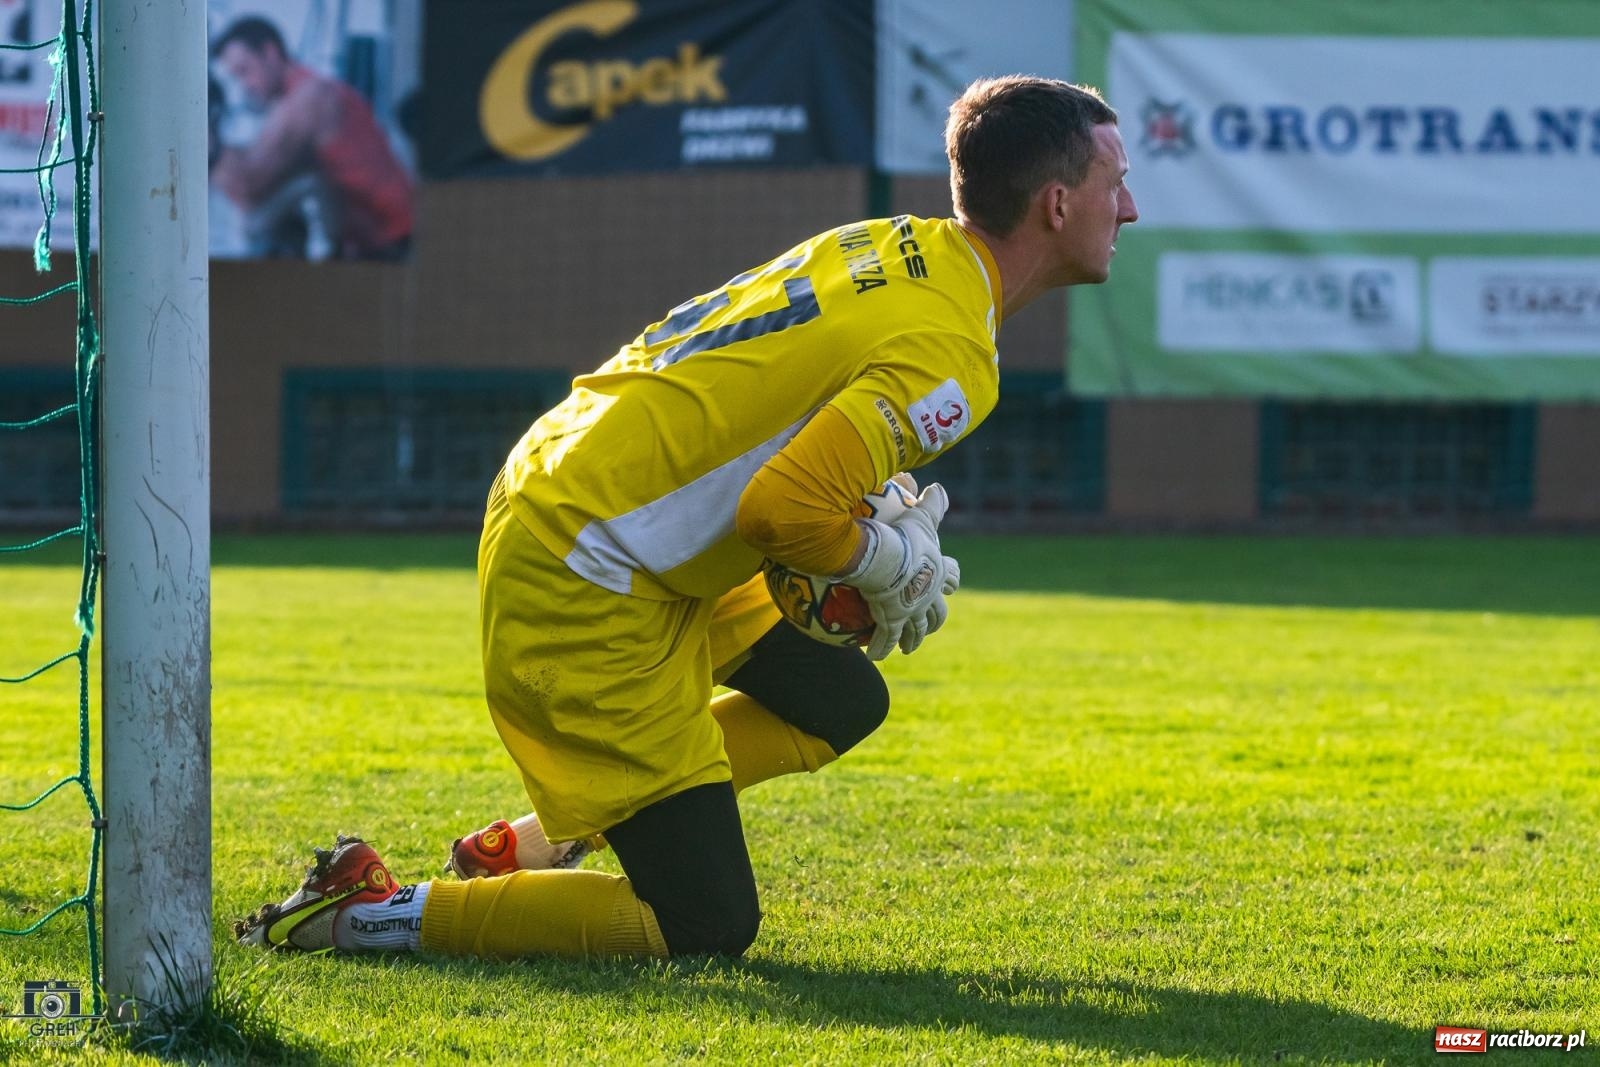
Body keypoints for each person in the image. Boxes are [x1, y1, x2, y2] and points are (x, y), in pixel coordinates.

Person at [235, 76, 1138, 959]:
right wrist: (876, 559)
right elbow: (784, 508)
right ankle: (367, 911)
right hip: (592, 564)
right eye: (1116, 182)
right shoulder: (954, 354)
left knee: (838, 698)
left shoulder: (897, 243)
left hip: (588, 487)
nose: (1128, 208)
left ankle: (525, 847)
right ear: (1057, 205)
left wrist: (847, 520)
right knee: (702, 926)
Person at [210, 16, 413, 260]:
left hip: (393, 244)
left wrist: (203, 138)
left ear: (270, 53)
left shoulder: (310, 98)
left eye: (245, 71)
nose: (244, 86)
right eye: (235, 77)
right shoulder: (296, 100)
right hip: (374, 243)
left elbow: (248, 182)